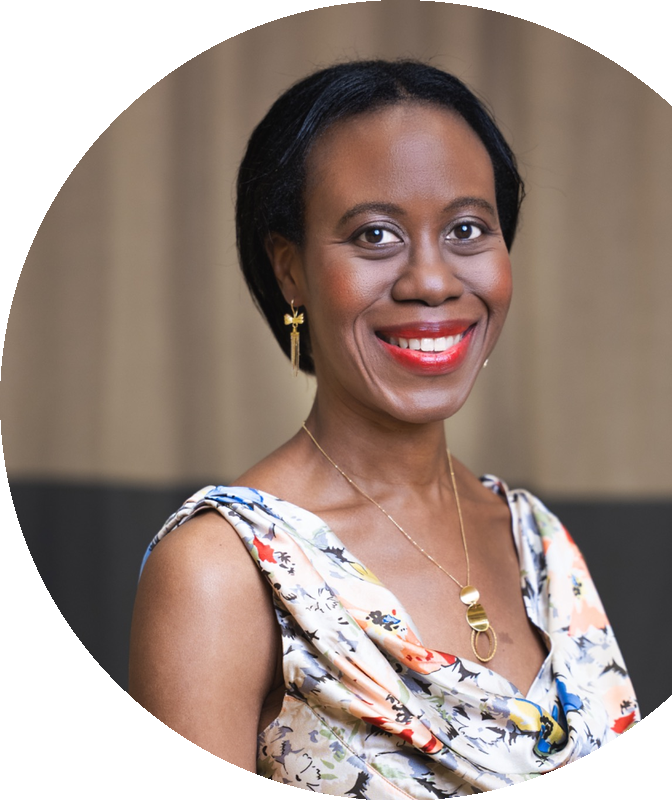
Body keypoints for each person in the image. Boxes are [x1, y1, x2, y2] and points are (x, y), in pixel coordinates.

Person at [124, 60, 640, 800]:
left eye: (467, 229)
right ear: (290, 270)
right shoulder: (225, 571)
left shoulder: (540, 542)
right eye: (374, 234)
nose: (431, 280)